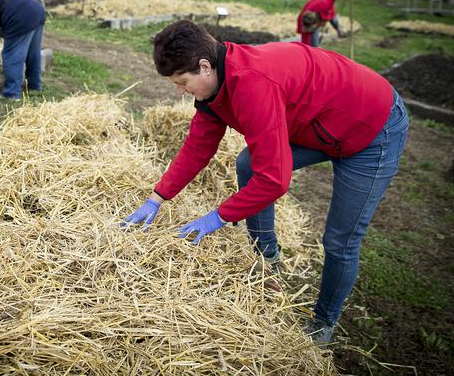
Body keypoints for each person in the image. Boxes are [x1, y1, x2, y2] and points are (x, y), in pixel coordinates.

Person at [123, 20, 408, 344]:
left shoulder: (253, 84)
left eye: (182, 81)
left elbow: (274, 180)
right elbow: (197, 148)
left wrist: (219, 216)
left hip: (372, 130)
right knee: (247, 163)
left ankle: (323, 322)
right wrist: (157, 198)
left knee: (340, 240)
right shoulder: (216, 85)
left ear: (204, 66)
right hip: (320, 123)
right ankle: (267, 255)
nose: (180, 91)